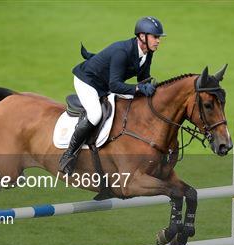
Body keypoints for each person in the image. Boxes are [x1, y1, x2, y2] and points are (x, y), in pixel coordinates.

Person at [59, 16, 166, 174]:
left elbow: (143, 78)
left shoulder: (147, 52)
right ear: (142, 37)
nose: (158, 41)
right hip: (87, 81)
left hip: (104, 82)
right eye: (155, 37)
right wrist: (138, 89)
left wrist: (150, 88)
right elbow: (114, 85)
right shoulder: (122, 52)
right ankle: (68, 155)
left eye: (159, 38)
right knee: (95, 115)